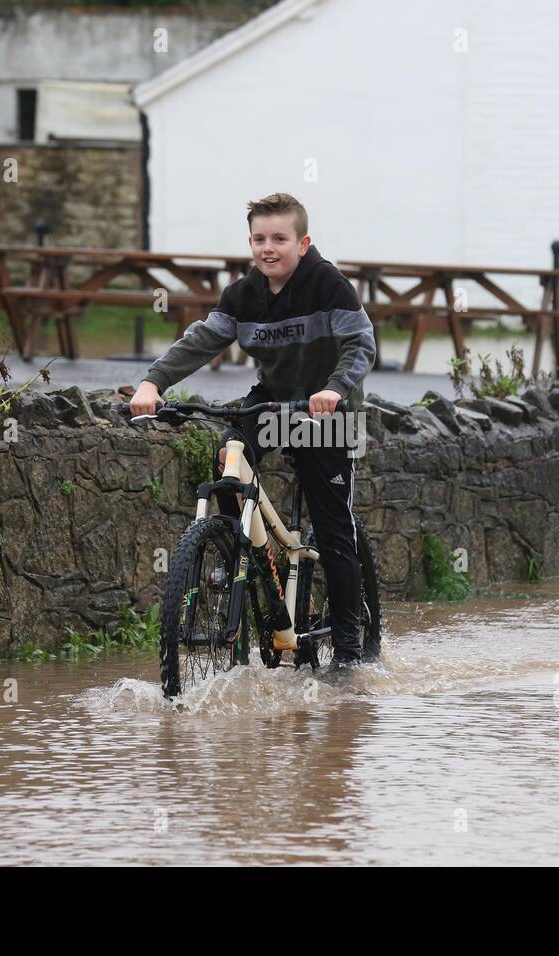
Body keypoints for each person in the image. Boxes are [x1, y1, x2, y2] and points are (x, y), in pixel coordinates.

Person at [129, 192, 377, 664]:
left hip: (328, 410)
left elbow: (361, 346)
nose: (269, 248)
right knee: (229, 458)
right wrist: (151, 382)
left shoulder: (330, 286)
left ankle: (349, 649)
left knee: (333, 533)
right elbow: (201, 341)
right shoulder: (244, 295)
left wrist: (335, 389)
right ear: (250, 242)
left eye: (280, 239)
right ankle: (237, 551)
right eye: (260, 239)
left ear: (302, 243)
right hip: (273, 400)